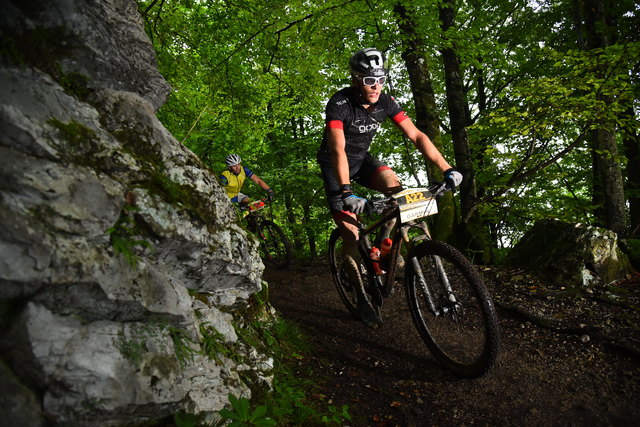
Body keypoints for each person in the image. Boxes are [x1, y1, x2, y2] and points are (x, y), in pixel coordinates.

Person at [316, 48, 463, 326]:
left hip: (362, 161)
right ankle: (360, 297)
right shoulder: (340, 103)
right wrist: (347, 191)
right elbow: (337, 149)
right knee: (350, 232)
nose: (376, 87)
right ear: (356, 78)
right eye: (370, 80)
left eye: (381, 79)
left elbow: (417, 135)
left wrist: (447, 168)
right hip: (336, 167)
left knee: (394, 187)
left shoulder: (385, 101)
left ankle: (385, 245)